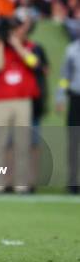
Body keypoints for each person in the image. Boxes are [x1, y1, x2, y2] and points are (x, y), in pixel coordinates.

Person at [0, 17, 40, 193]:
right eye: (11, 29)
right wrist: (1, 43)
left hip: (23, 100)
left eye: (16, 29)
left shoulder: (30, 46)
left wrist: (17, 44)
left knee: (22, 143)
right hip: (0, 101)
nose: (14, 32)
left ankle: (21, 185)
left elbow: (33, 63)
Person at [57, 37, 80, 194]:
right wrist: (60, 96)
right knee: (73, 141)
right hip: (76, 98)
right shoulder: (72, 49)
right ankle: (72, 181)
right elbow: (65, 76)